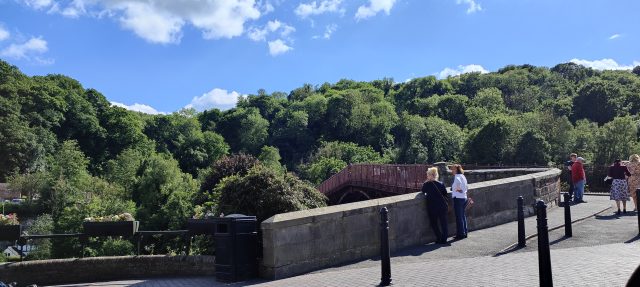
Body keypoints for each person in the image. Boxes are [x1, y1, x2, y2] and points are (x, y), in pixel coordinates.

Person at [421, 167, 449, 244]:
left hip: (432, 207)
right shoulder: (441, 184)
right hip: (442, 206)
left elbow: (422, 191)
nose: (427, 176)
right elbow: (445, 194)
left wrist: (426, 182)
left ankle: (439, 237)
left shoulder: (426, 185)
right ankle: (444, 239)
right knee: (444, 223)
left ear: (432, 175)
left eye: (428, 174)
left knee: (434, 223)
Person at [449, 164, 468, 240]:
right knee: (463, 216)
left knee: (459, 217)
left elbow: (459, 186)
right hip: (464, 198)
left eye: (453, 169)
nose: (452, 171)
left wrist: (456, 189)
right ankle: (465, 232)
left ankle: (460, 234)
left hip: (458, 198)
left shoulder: (457, 177)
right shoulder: (463, 176)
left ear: (456, 170)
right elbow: (465, 187)